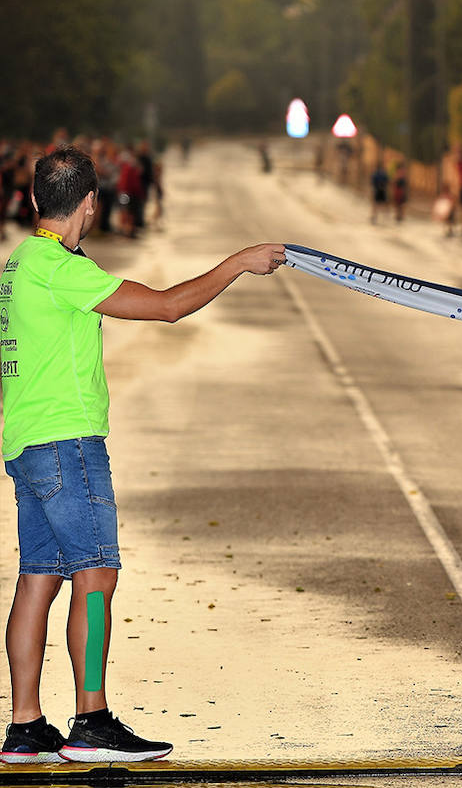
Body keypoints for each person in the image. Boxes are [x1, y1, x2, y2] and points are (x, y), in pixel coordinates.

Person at [0, 146, 285, 764]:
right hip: (67, 443)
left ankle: (26, 728)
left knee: (38, 579)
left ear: (32, 201)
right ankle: (92, 719)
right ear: (90, 204)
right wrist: (238, 262)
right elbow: (167, 305)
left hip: (25, 443)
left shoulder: (20, 262)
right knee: (96, 576)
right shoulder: (61, 268)